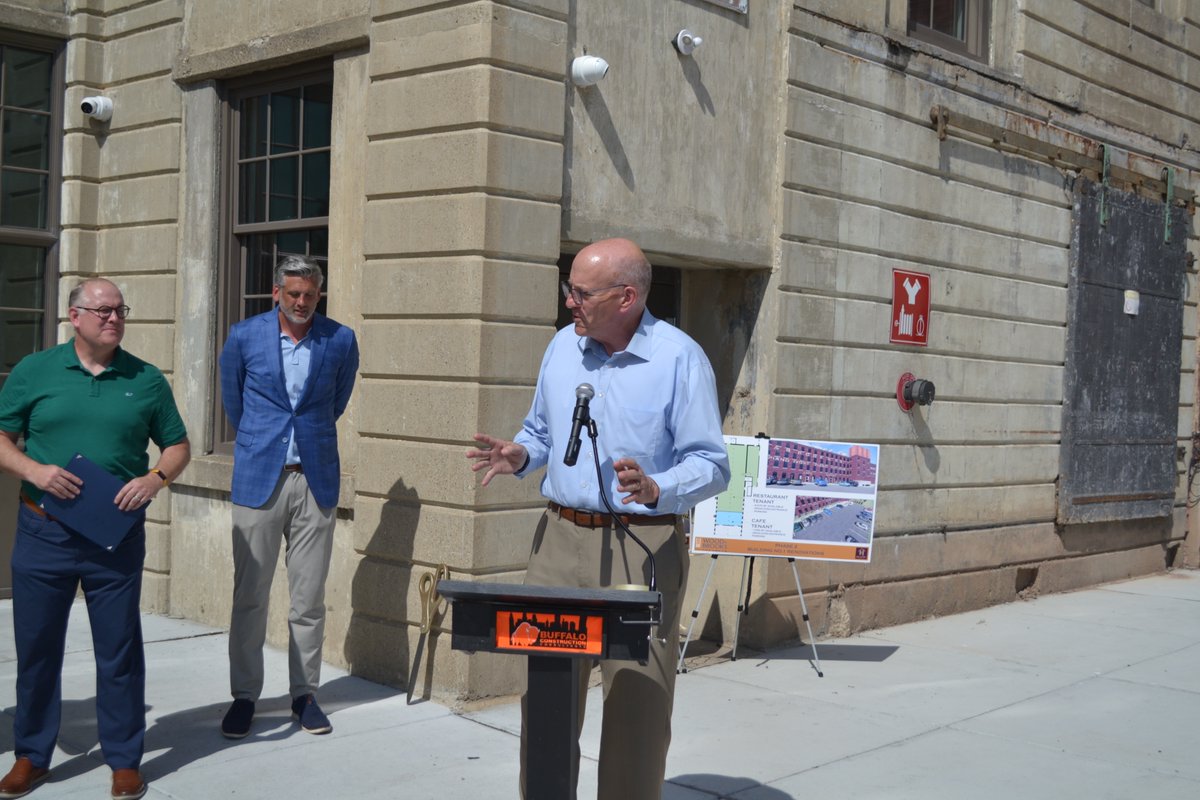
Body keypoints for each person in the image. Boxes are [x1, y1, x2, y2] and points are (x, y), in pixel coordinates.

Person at [467, 238, 730, 800]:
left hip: (643, 543)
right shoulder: (563, 347)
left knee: (637, 704)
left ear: (627, 297)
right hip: (558, 542)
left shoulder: (679, 358)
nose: (570, 303)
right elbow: (540, 430)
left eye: (581, 293)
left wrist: (659, 486)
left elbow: (712, 464)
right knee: (546, 698)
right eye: (570, 290)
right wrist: (521, 454)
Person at [0, 278, 191, 800]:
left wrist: (155, 479)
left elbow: (177, 445)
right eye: (102, 310)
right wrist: (35, 471)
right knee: (37, 648)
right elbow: (1, 438)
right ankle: (32, 756)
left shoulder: (146, 379)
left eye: (120, 311)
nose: (113, 318)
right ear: (73, 316)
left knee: (119, 648)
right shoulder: (34, 371)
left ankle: (124, 759)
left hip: (115, 536)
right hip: (44, 531)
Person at [218, 255, 359, 739]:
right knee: (250, 596)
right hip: (259, 478)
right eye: (293, 294)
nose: (302, 303)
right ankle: (244, 696)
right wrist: (266, 442)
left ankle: (304, 694)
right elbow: (234, 403)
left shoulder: (339, 340)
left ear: (320, 294)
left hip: (314, 478)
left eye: (311, 295)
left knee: (308, 599)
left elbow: (335, 403)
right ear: (276, 292)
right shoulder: (243, 336)